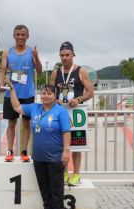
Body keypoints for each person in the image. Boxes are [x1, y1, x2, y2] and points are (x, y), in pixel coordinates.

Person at [10, 83, 71, 209]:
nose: (46, 96)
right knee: (43, 186)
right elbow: (17, 107)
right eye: (43, 93)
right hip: (38, 157)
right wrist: (12, 89)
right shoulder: (34, 108)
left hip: (55, 156)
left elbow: (67, 132)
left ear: (55, 96)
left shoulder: (60, 111)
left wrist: (66, 150)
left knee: (56, 187)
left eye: (49, 93)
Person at [50, 41, 94, 186]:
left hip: (76, 114)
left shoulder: (81, 71)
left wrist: (79, 99)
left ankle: (76, 174)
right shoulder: (55, 73)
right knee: (61, 145)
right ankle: (63, 174)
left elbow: (90, 92)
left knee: (76, 146)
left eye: (67, 55)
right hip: (60, 113)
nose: (65, 58)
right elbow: (50, 92)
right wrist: (54, 99)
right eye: (62, 55)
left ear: (73, 55)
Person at [0, 24, 42, 162]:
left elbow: (40, 71)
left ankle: (24, 151)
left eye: (23, 34)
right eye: (18, 34)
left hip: (28, 94)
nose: (20, 37)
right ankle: (10, 151)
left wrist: (37, 57)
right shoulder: (7, 52)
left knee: (27, 125)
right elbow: (2, 70)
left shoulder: (31, 52)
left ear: (27, 36)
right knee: (11, 123)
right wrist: (1, 84)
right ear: (14, 35)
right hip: (11, 94)